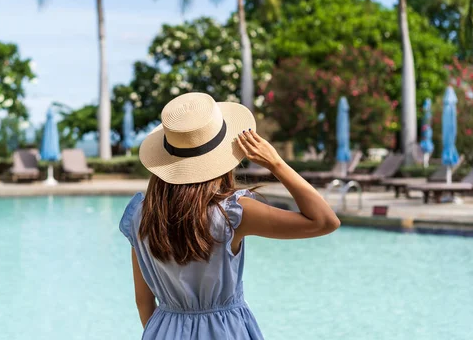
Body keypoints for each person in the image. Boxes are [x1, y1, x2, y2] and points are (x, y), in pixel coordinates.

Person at [120, 93, 340, 339]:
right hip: (224, 331)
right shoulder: (232, 213)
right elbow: (325, 221)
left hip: (164, 330)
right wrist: (276, 164)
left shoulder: (141, 215)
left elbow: (143, 300)